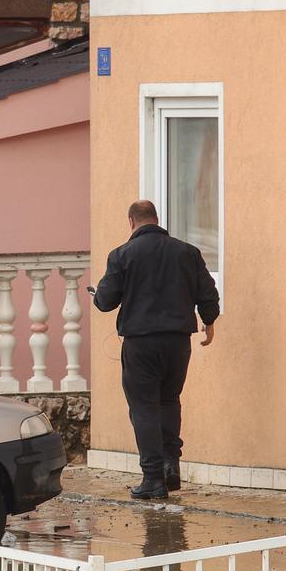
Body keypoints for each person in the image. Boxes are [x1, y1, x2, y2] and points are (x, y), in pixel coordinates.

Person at [92, 200, 220, 500]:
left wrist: (98, 295)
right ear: (156, 219)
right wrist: (209, 322)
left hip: (141, 343)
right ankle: (171, 466)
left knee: (144, 407)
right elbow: (208, 292)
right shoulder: (187, 252)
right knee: (169, 401)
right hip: (178, 342)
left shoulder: (121, 255)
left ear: (131, 222)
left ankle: (153, 479)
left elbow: (106, 301)